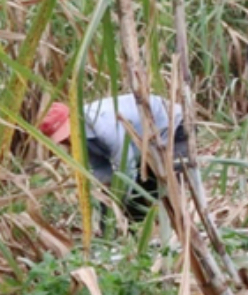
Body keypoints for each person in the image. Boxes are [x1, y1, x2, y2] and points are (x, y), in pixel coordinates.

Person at [39, 93, 187, 224]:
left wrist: (119, 201)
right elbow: (101, 168)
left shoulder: (104, 124)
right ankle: (134, 238)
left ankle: (182, 233)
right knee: (136, 195)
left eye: (67, 134)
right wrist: (107, 197)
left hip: (170, 125)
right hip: (142, 142)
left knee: (169, 186)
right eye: (62, 138)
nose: (67, 141)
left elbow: (126, 166)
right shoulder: (81, 139)